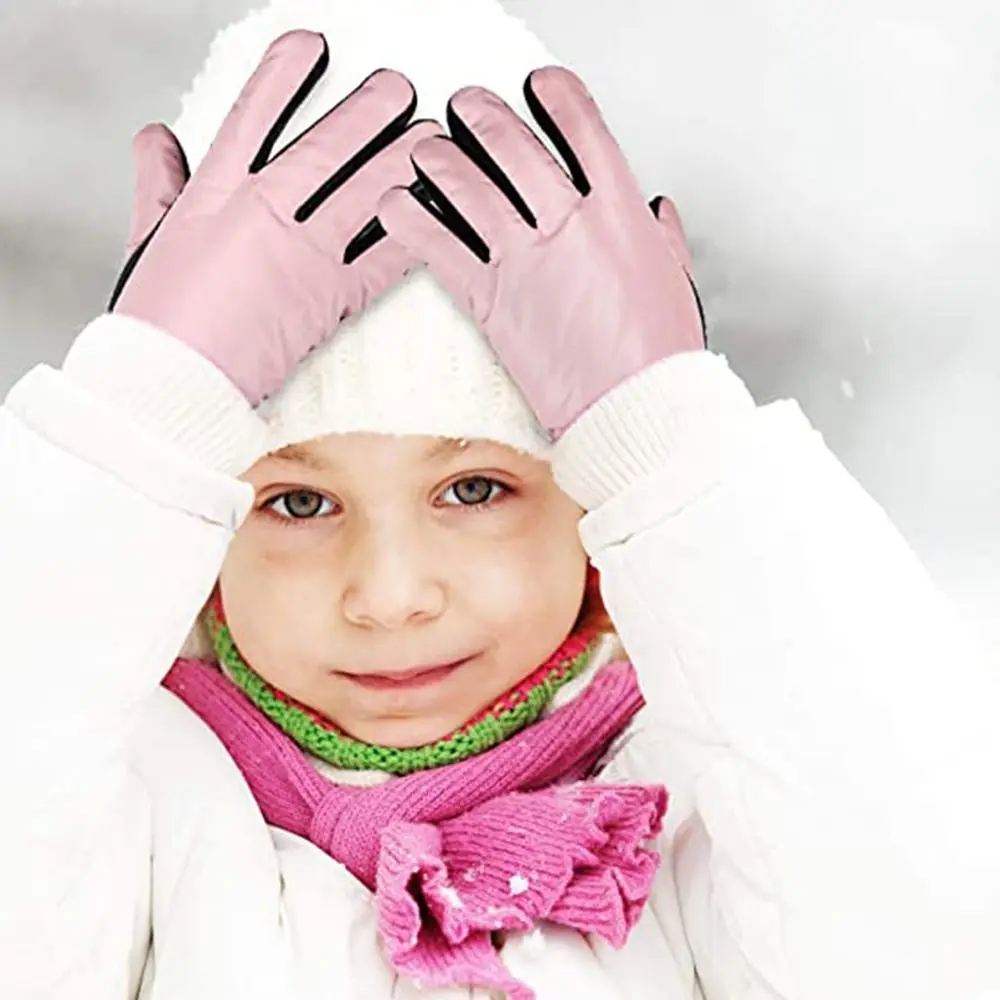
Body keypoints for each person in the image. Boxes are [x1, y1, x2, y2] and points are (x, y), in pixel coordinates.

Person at [2, 2, 999, 998]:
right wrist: (147, 408)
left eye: (474, 487)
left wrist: (670, 432)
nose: (390, 595)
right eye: (299, 504)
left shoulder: (715, 814)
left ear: (593, 502)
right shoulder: (125, 812)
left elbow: (930, 926)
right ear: (201, 531)